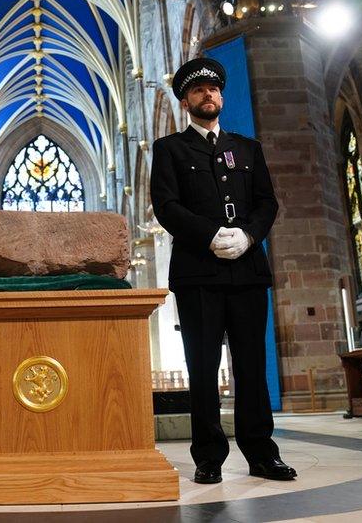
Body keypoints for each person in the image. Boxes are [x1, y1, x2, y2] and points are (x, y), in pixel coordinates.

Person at [150, 57, 295, 484]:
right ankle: (209, 455)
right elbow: (167, 206)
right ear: (185, 101)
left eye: (213, 89)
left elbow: (267, 202)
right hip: (198, 272)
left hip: (247, 270)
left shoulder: (248, 148)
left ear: (221, 96)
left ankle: (261, 453)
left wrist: (249, 236)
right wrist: (210, 235)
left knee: (251, 364)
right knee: (202, 365)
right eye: (198, 90)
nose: (207, 94)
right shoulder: (170, 149)